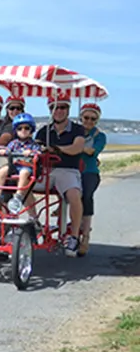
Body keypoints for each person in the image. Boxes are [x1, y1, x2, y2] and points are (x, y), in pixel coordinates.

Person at [35, 93, 86, 257]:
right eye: (54, 107)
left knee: (73, 196)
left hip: (67, 170)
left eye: (62, 107)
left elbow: (77, 148)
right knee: (21, 188)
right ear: (50, 110)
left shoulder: (78, 129)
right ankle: (34, 223)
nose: (58, 111)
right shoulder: (44, 131)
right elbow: (35, 150)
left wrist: (56, 149)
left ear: (68, 109)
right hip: (46, 171)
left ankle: (74, 236)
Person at [0, 113, 42, 212]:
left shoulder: (33, 144)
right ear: (16, 130)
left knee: (24, 172)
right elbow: (8, 150)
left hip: (27, 166)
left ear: (31, 130)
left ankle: (18, 195)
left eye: (26, 128)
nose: (23, 130)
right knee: (3, 170)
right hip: (15, 166)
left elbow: (38, 153)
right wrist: (4, 151)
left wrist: (32, 153)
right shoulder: (14, 143)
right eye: (20, 128)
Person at [78, 102, 107, 256]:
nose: (89, 121)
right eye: (86, 118)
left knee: (86, 196)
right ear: (81, 117)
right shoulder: (75, 132)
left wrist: (76, 148)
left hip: (89, 172)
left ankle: (85, 237)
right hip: (73, 171)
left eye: (93, 119)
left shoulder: (100, 136)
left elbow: (92, 152)